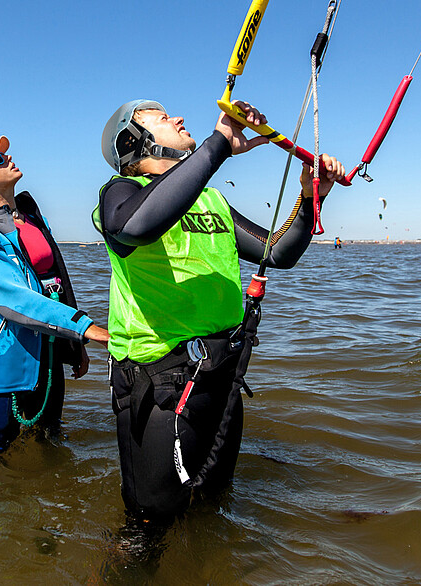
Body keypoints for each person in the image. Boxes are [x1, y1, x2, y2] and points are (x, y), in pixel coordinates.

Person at [96, 99, 346, 519]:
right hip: (158, 384)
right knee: (147, 528)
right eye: (161, 118)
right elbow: (132, 227)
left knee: (212, 508)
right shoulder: (121, 193)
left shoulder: (212, 202)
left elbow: (278, 252)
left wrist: (309, 197)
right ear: (135, 141)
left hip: (218, 376)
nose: (178, 117)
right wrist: (218, 145)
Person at [0, 136, 109, 450]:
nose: (7, 157)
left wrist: (73, 346)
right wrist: (83, 327)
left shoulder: (31, 217)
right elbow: (12, 298)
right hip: (4, 356)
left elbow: (57, 281)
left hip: (49, 350)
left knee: (50, 440)